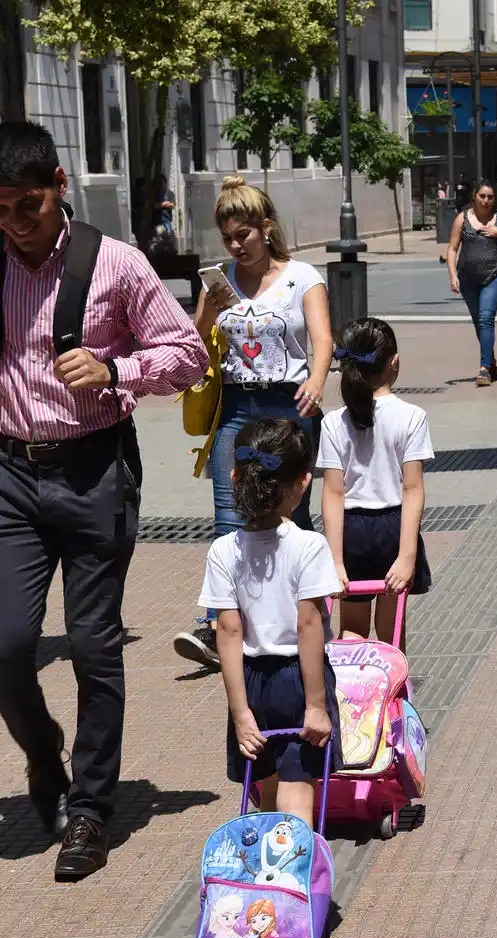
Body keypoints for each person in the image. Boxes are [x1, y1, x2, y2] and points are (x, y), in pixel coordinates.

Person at [0, 120, 208, 879]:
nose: (15, 223)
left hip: (93, 473)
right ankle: (44, 761)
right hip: (11, 478)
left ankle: (89, 808)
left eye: (27, 204)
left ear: (58, 185)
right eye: (0, 209)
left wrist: (118, 371)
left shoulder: (114, 265)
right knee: (8, 644)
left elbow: (187, 355)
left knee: (92, 647)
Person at [173, 177, 333, 669]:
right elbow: (193, 347)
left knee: (292, 516)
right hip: (237, 410)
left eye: (244, 234)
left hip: (289, 407)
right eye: (228, 237)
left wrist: (319, 380)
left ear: (266, 229)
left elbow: (323, 339)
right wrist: (206, 316)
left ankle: (309, 613)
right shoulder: (219, 282)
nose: (236, 245)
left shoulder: (301, 277)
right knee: (229, 516)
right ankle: (215, 626)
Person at [196, 417, 342, 830]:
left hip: (252, 683)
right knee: (299, 790)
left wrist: (240, 712)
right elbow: (309, 626)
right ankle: (295, 885)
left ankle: (268, 886)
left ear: (235, 477)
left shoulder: (224, 550)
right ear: (304, 482)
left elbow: (228, 632)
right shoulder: (309, 546)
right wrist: (316, 704)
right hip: (299, 680)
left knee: (267, 793)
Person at [318, 319, 434, 648]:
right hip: (394, 530)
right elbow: (412, 489)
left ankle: (352, 696)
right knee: (392, 634)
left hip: (351, 531)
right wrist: (407, 555)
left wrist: (335, 559)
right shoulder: (412, 416)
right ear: (393, 362)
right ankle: (392, 695)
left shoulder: (332, 423)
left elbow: (333, 493)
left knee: (352, 631)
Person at [446, 180, 497, 387]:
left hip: (494, 276)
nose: (486, 201)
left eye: (490, 197)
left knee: (485, 318)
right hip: (468, 280)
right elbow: (452, 249)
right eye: (482, 196)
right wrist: (452, 275)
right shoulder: (462, 218)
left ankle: (484, 368)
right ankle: (491, 361)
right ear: (474, 197)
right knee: (479, 322)